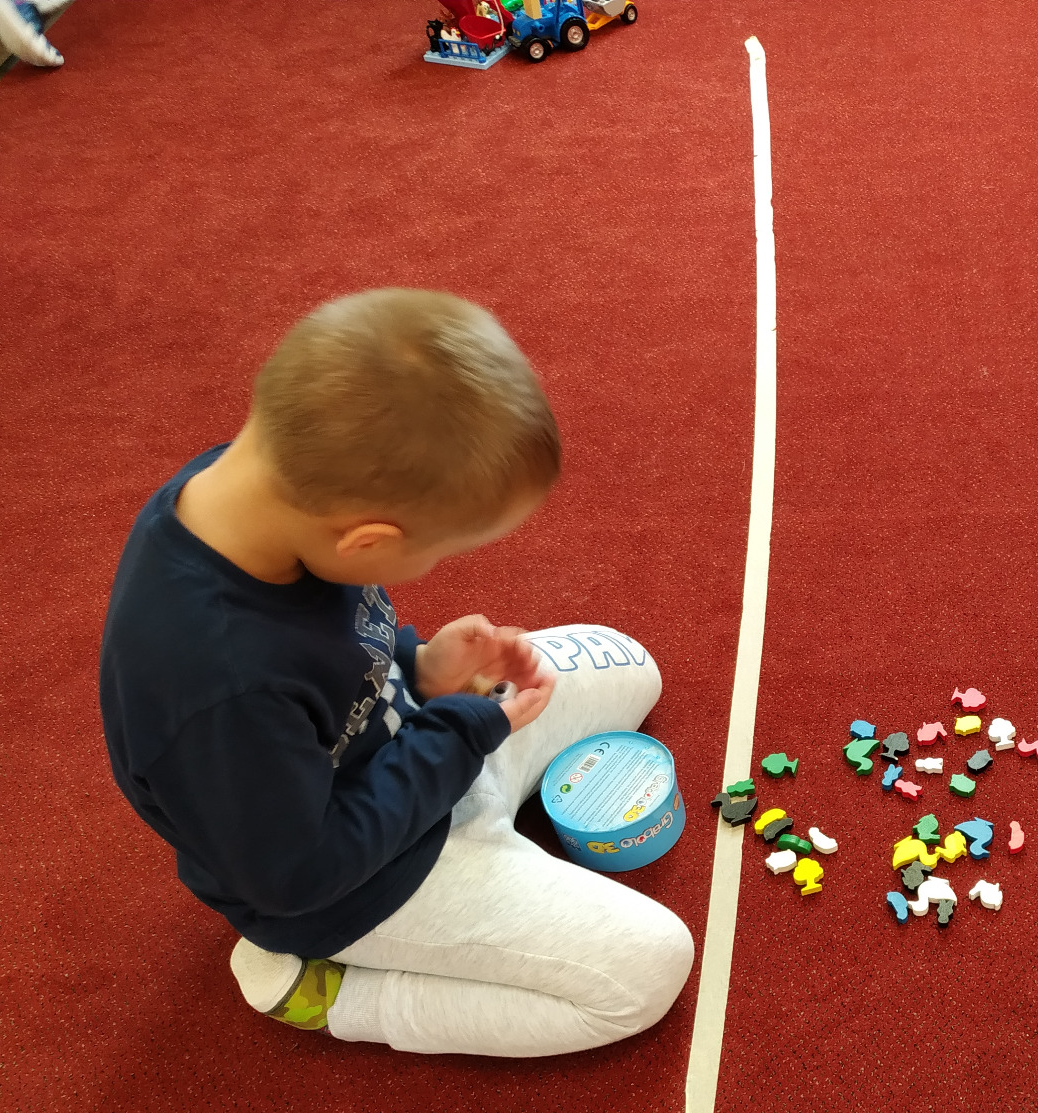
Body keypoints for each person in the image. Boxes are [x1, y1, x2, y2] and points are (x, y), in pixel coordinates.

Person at [99, 289, 695, 1056]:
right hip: (360, 881)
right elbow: (300, 873)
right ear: (366, 541)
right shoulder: (221, 686)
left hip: (419, 747)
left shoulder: (258, 486)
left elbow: (337, 662)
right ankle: (332, 995)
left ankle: (492, 818)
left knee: (631, 666)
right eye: (441, 550)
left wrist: (420, 669)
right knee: (649, 971)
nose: (439, 565)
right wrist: (458, 731)